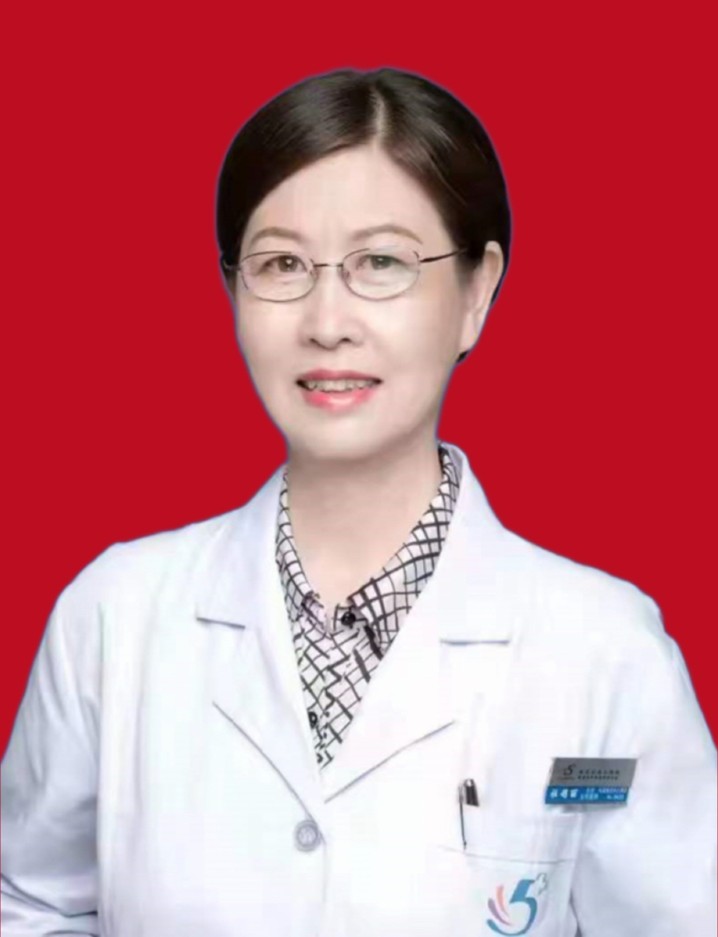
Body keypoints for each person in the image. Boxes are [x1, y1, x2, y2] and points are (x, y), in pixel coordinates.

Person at [1, 66, 715, 937]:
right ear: (233, 289)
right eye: (282, 264)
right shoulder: (115, 616)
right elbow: (30, 905)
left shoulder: (603, 654)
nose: (327, 320)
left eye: (382, 262)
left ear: (477, 292)